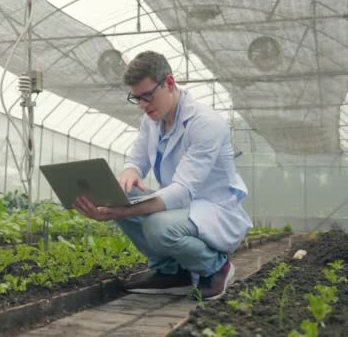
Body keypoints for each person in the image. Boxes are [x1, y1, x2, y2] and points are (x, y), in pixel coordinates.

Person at [73, 51, 252, 300]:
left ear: (169, 83)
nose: (143, 105)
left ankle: (216, 267)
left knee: (158, 227)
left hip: (213, 209)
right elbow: (136, 160)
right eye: (137, 99)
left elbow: (182, 190)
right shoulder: (152, 120)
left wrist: (123, 212)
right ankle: (172, 273)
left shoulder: (205, 123)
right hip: (179, 207)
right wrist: (129, 172)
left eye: (147, 96)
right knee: (123, 193)